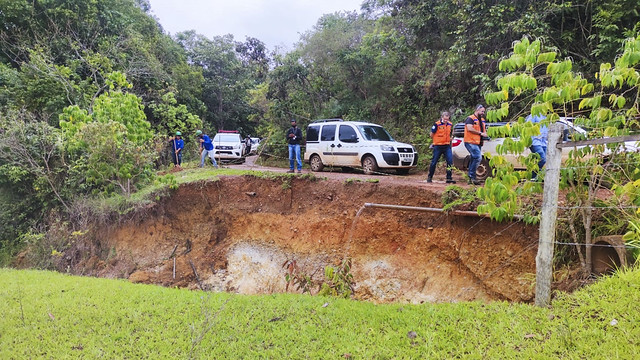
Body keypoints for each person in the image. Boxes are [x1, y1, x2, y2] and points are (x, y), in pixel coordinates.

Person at [427, 111, 456, 184]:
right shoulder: (437, 124)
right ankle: (430, 177)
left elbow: (451, 133)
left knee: (450, 161)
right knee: (434, 162)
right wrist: (436, 140)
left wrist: (450, 138)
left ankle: (449, 178)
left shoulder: (450, 124)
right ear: (442, 117)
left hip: (446, 146)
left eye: (447, 119)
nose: (446, 121)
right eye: (445, 119)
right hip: (438, 146)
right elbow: (431, 134)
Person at [464, 104, 488, 185]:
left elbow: (484, 129)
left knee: (474, 158)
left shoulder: (482, 120)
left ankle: (471, 177)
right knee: (478, 157)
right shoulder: (470, 118)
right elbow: (470, 128)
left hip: (478, 142)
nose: (483, 113)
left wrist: (486, 135)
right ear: (477, 110)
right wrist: (481, 133)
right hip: (470, 141)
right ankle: (472, 176)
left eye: (484, 111)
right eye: (482, 111)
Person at [526, 114, 548, 180]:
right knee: (542, 158)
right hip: (534, 141)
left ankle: (537, 177)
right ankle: (533, 176)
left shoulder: (546, 117)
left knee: (541, 160)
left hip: (543, 142)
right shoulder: (534, 115)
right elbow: (527, 126)